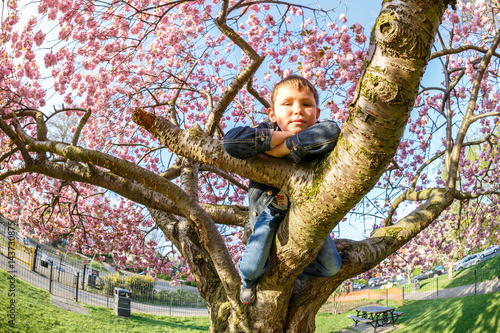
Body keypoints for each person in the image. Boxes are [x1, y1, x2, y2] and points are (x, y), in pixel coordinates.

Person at [223, 75, 342, 304]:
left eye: (306, 105)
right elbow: (232, 142)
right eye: (287, 104)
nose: (297, 110)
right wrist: (280, 137)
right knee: (252, 268)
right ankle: (247, 282)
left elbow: (332, 131)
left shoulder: (318, 133)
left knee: (332, 266)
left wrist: (282, 149)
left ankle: (298, 272)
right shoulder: (266, 129)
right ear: (272, 114)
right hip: (267, 212)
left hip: (307, 213)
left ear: (316, 113)